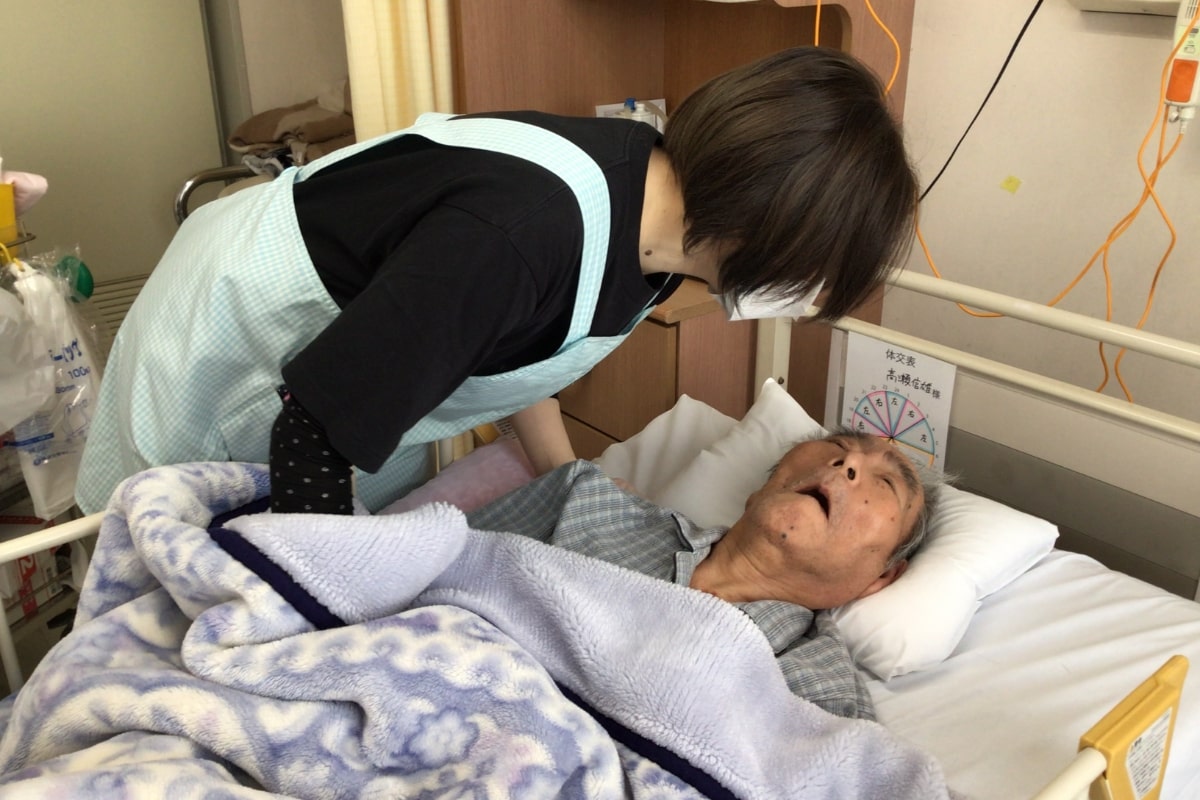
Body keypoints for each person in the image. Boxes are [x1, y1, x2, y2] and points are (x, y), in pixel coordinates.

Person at [75, 46, 919, 516]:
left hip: (355, 373)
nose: (805, 299)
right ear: (768, 223)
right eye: (813, 275)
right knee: (172, 545)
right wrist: (326, 615)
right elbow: (314, 433)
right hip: (243, 335)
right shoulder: (521, 236)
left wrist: (567, 480)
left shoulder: (660, 228)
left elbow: (523, 344)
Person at [466, 429, 943, 719]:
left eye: (885, 483)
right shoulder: (586, 499)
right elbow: (440, 559)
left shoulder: (822, 699)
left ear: (882, 578)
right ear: (761, 490)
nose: (849, 462)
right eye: (838, 446)